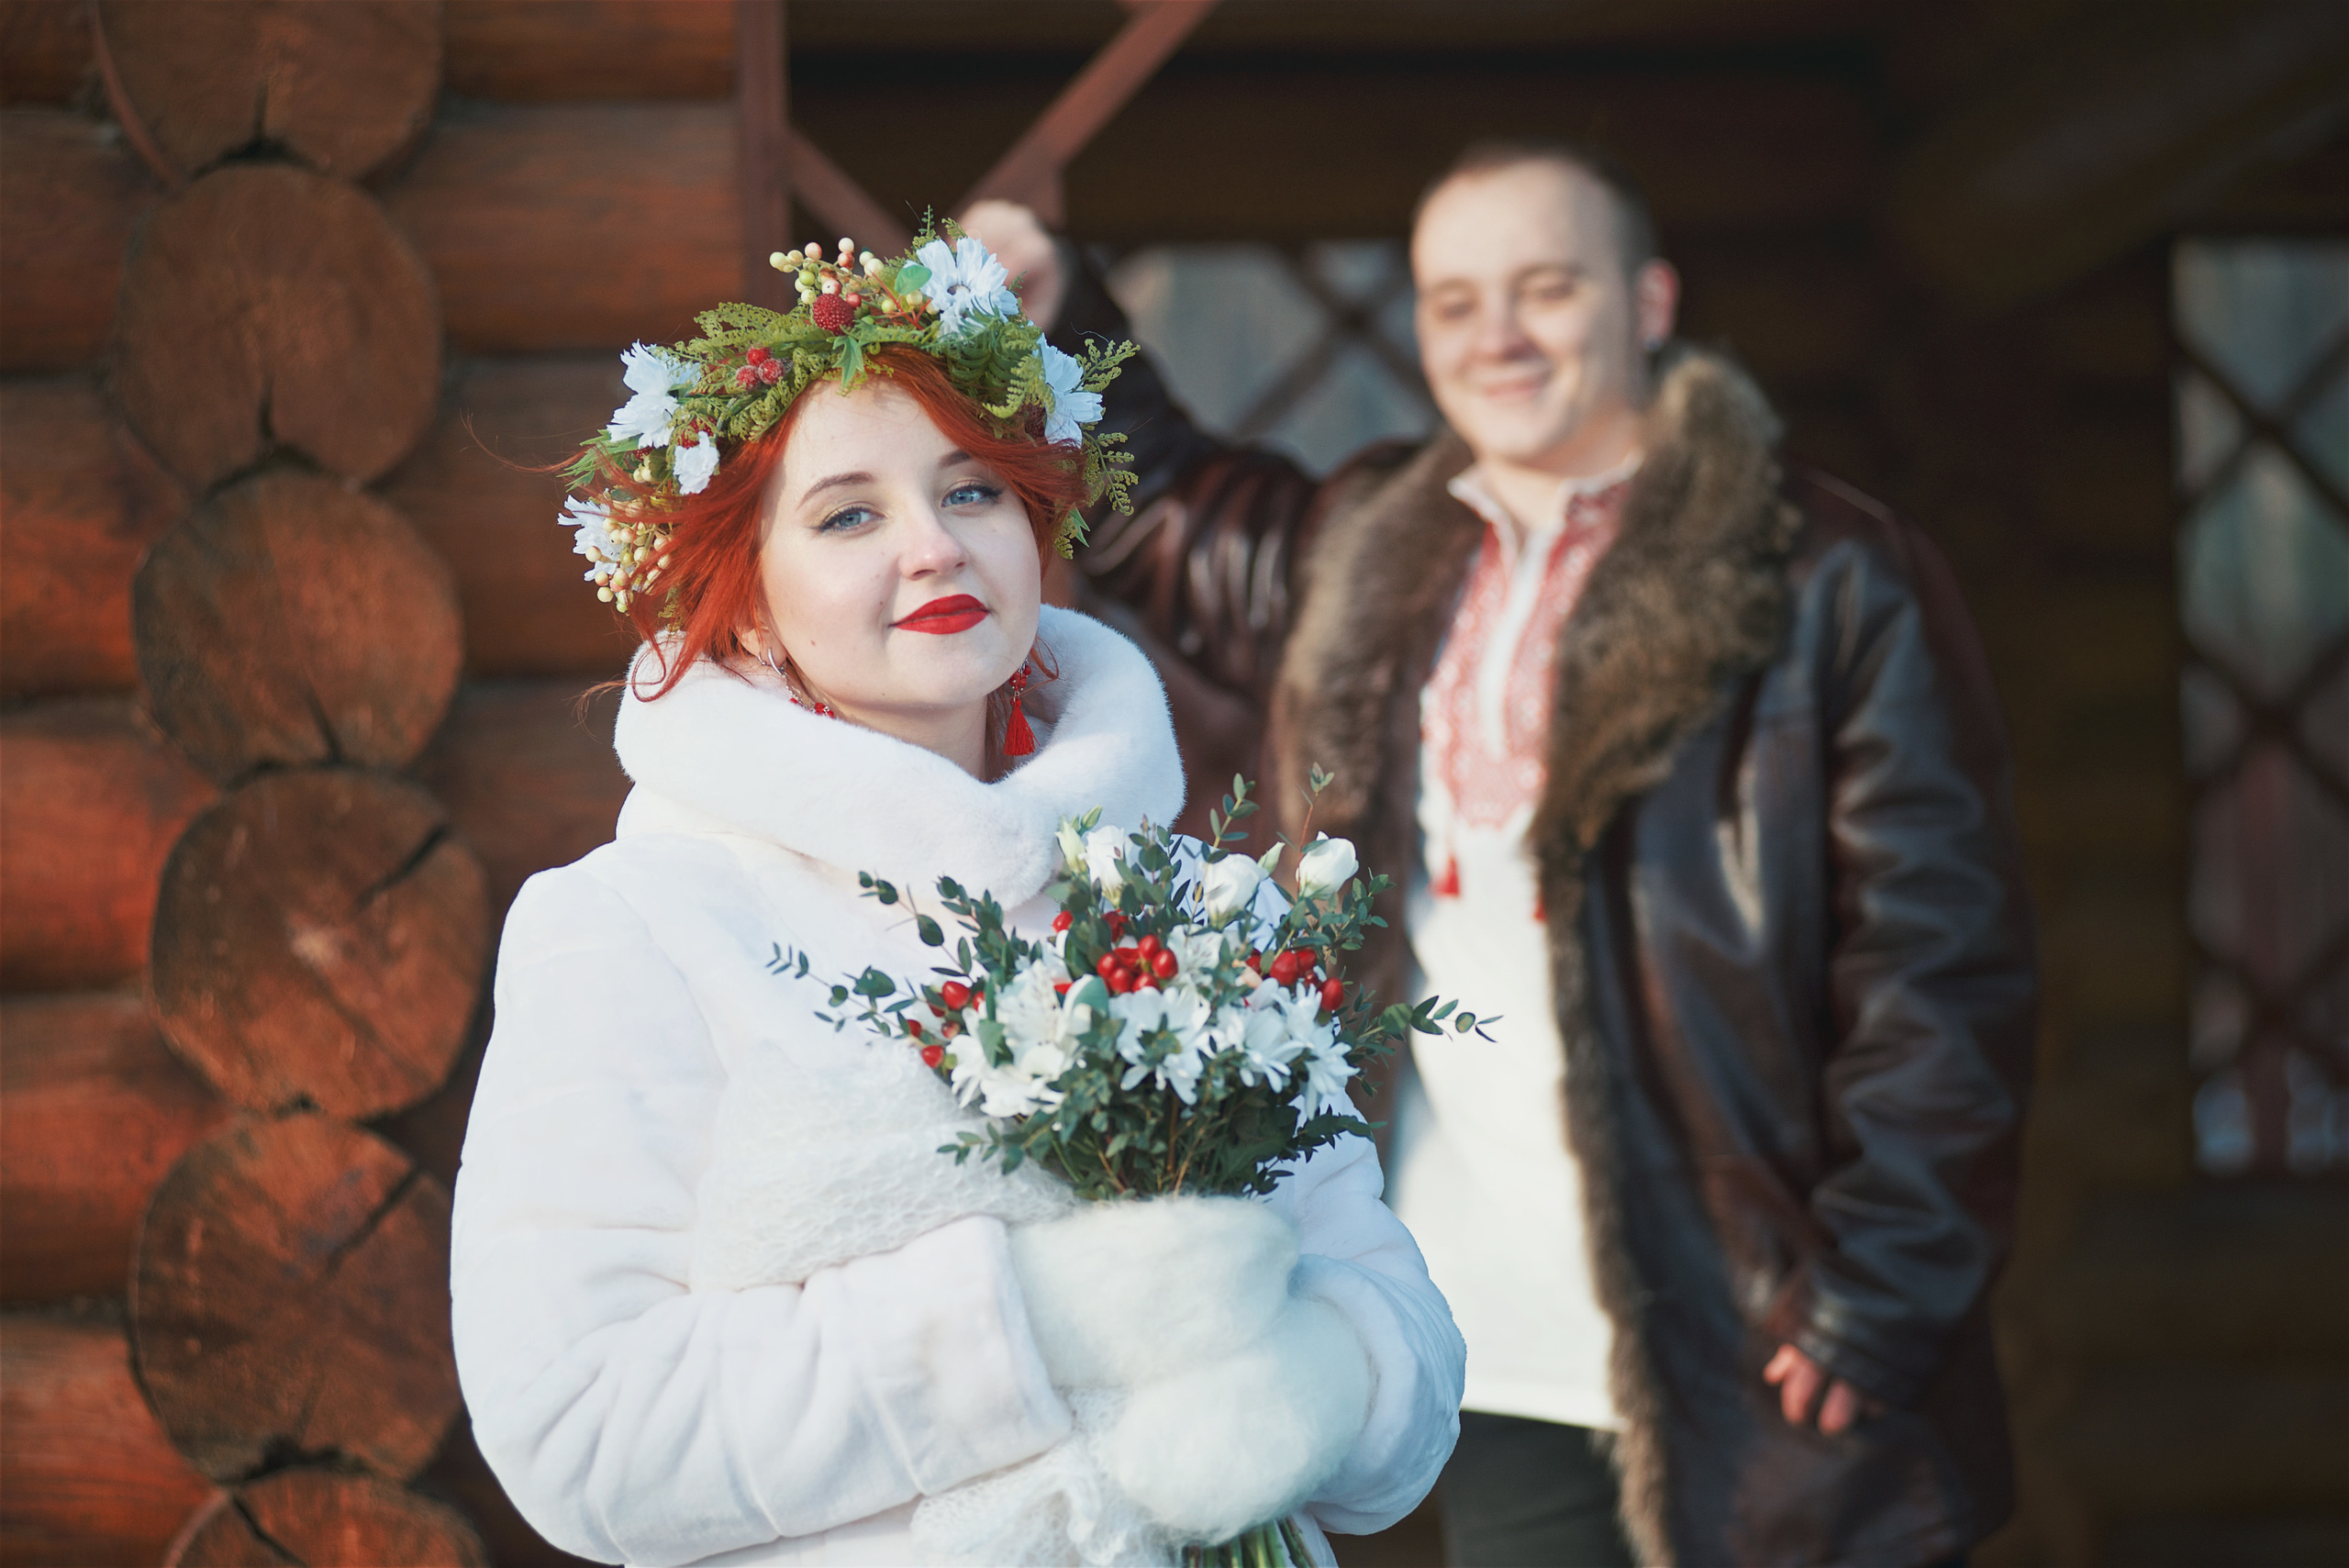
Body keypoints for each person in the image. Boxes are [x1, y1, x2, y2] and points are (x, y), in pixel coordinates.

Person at [970, 138, 2038, 1568]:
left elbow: (1942, 965)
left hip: (1767, 1343)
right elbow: (1169, 505)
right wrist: (1054, 308)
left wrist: (1884, 1290)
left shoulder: (1827, 576)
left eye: (1545, 288)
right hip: (1492, 1343)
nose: (1499, 336)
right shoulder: (1373, 549)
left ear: (1648, 300)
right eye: (1455, 300)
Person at [448, 229, 1465, 1567]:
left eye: (975, 490)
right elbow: (583, 1428)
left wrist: (1297, 1386)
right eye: (849, 513)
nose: (933, 547)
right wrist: (1040, 1319)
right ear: (745, 607)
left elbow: (1406, 1354)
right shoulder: (636, 927)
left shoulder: (1199, 911)